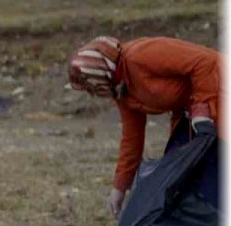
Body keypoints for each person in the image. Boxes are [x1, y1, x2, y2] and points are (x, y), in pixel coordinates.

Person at [67, 35, 222, 215]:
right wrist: (120, 187)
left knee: (215, 172)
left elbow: (206, 61)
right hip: (190, 116)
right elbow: (132, 137)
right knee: (179, 172)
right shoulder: (122, 90)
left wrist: (202, 109)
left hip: (217, 92)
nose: (92, 93)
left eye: (89, 86)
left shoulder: (141, 55)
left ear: (98, 72)